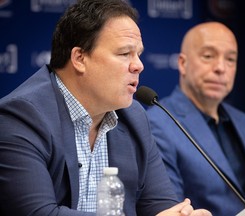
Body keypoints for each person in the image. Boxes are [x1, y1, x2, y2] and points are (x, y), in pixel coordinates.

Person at [0, 1, 212, 216]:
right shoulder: (21, 116)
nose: (138, 65)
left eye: (138, 54)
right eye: (124, 54)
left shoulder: (134, 118)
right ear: (80, 58)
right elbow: (38, 213)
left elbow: (161, 206)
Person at [146, 22, 245, 215]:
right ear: (182, 64)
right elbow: (173, 209)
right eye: (208, 56)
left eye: (230, 59)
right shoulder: (157, 124)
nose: (220, 68)